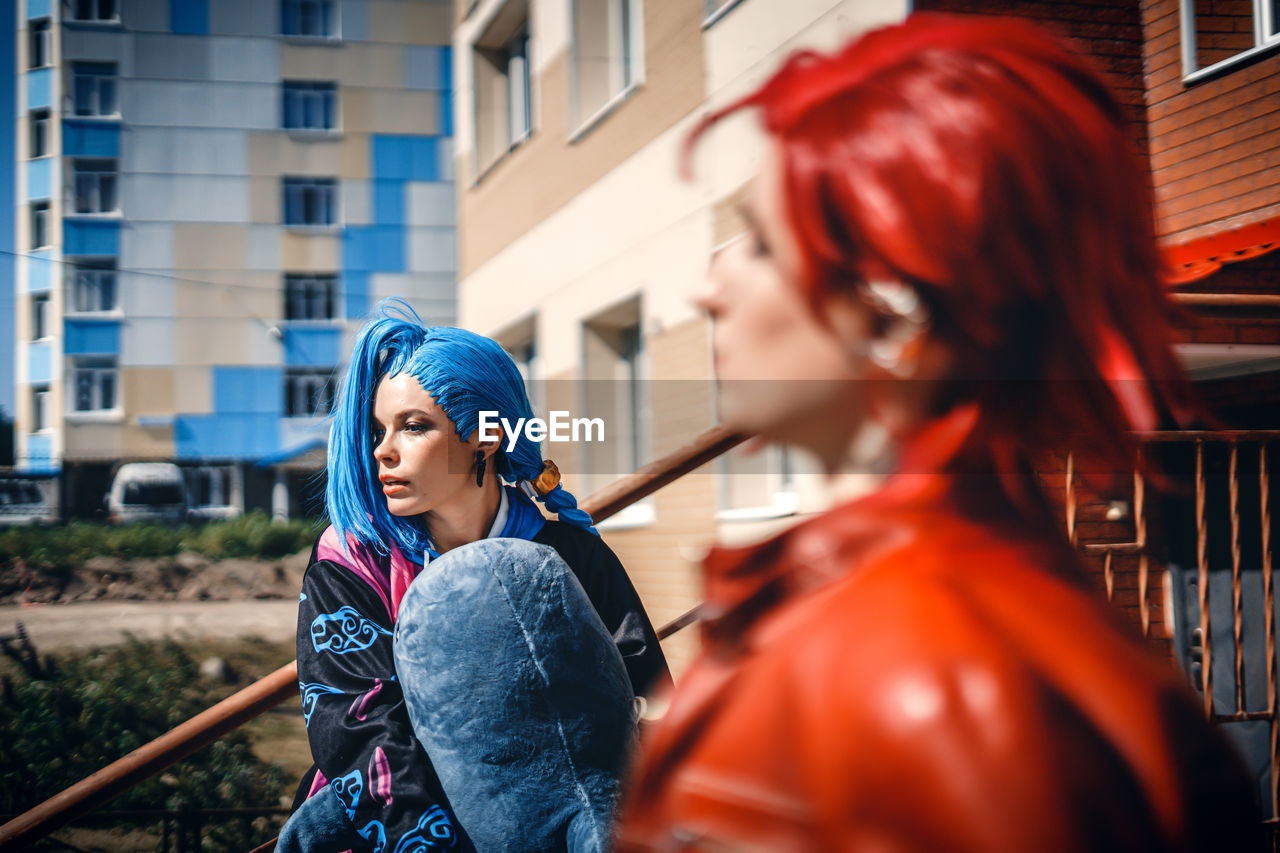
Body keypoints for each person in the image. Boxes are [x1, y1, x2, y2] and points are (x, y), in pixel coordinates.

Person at [614, 13, 1262, 852]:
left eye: (765, 244)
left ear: (896, 321)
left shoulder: (937, 688)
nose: (709, 290)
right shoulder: (891, 622)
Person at [281, 300, 671, 853]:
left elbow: (651, 696)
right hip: (396, 831)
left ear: (485, 437)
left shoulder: (570, 554)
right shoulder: (352, 559)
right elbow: (359, 732)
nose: (382, 452)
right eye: (377, 429)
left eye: (414, 427)